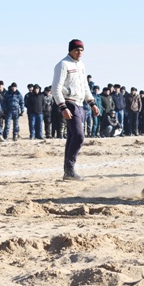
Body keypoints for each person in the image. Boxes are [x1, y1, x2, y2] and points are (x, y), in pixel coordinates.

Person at [52, 39, 100, 181]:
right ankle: (70, 169)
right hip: (70, 103)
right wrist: (63, 107)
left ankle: (68, 171)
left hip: (80, 104)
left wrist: (92, 103)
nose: (79, 53)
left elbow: (85, 86)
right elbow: (56, 88)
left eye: (81, 50)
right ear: (70, 50)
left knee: (72, 137)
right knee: (79, 136)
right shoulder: (62, 65)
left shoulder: (81, 65)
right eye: (77, 50)